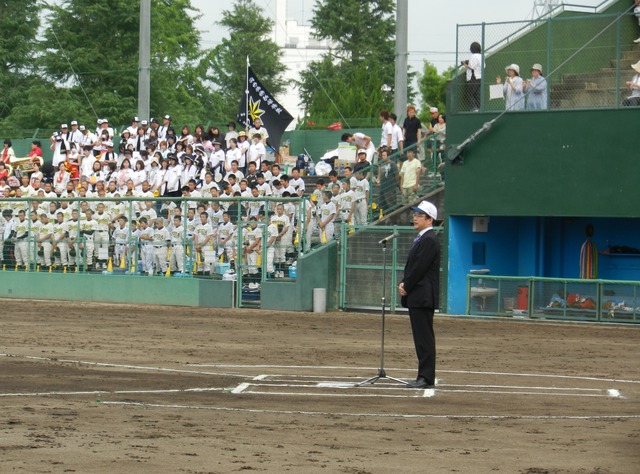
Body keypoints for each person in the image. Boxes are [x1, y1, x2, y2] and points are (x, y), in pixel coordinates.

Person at [398, 200, 440, 389]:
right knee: (421, 338)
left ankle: (425, 377)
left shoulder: (429, 239)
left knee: (424, 339)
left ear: (429, 219)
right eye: (414, 215)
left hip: (422, 296)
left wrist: (406, 285)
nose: (414, 218)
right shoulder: (424, 239)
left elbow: (419, 267)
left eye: (419, 215)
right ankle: (423, 375)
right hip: (419, 295)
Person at [462, 41, 483, 111]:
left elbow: (471, 67)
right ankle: (479, 108)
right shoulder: (481, 56)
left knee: (469, 94)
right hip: (479, 77)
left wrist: (464, 64)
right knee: (476, 94)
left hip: (473, 77)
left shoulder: (473, 56)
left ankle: (474, 108)